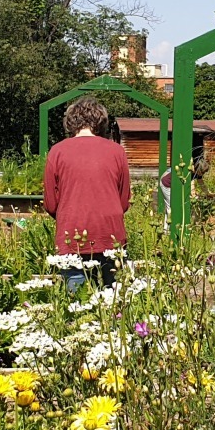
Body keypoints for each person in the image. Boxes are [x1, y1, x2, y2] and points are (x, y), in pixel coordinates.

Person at [43, 97, 131, 291]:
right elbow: (123, 201)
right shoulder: (117, 152)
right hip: (110, 236)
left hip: (71, 236)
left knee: (76, 309)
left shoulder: (57, 151)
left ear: (70, 123)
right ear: (101, 123)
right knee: (113, 307)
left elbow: (50, 203)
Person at [159, 157, 209, 229]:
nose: (203, 174)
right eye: (203, 172)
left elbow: (201, 184)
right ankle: (166, 229)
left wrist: (208, 193)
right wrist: (194, 196)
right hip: (166, 183)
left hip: (175, 184)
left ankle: (176, 227)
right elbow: (192, 189)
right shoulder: (189, 170)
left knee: (176, 205)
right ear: (198, 169)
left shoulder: (197, 171)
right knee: (171, 207)